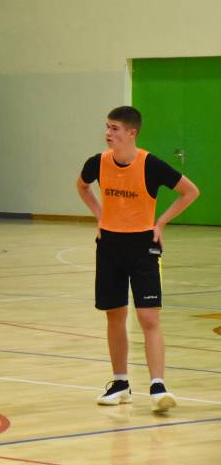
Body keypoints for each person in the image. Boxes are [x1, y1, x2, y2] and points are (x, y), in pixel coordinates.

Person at [76, 105, 199, 413]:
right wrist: (100, 216)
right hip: (109, 245)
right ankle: (120, 383)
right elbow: (82, 186)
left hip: (143, 246)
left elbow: (190, 192)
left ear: (131, 133)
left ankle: (158, 386)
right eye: (107, 127)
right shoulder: (97, 163)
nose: (108, 133)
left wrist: (161, 223)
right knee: (114, 315)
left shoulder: (150, 164)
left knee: (148, 318)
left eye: (115, 128)